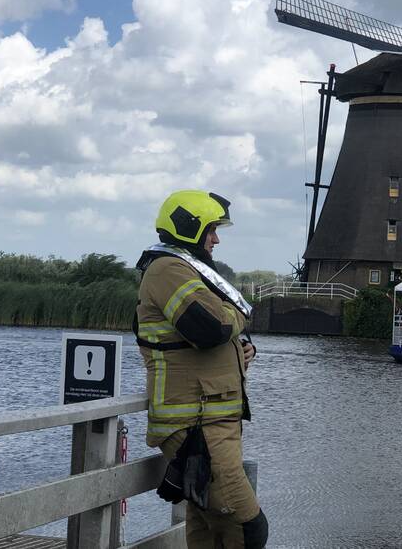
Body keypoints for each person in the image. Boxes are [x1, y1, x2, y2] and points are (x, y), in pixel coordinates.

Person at [135, 190, 268, 548]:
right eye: (211, 229)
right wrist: (238, 315)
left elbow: (201, 340)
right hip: (196, 423)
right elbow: (212, 328)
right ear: (189, 228)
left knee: (207, 525)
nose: (216, 239)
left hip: (210, 417)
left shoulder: (185, 269)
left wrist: (238, 353)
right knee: (246, 525)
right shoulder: (168, 269)